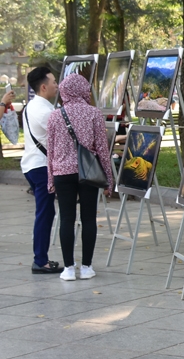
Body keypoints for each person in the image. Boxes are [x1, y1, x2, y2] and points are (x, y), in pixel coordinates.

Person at [46, 74, 114, 281]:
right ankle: (86, 266)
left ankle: (68, 268)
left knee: (66, 218)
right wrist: (108, 179)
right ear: (84, 90)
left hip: (62, 173)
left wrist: (51, 179)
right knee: (88, 218)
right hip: (89, 172)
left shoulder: (55, 116)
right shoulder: (94, 113)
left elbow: (51, 151)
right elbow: (102, 149)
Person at [20, 68, 64, 275]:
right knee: (45, 214)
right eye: (54, 81)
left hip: (33, 164)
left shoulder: (35, 105)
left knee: (45, 213)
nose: (57, 85)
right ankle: (40, 260)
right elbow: (65, 135)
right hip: (40, 167)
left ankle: (41, 258)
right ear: (44, 86)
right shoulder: (44, 110)